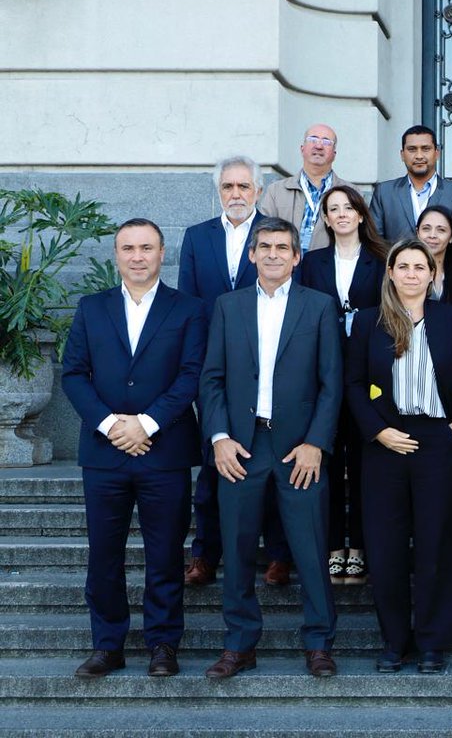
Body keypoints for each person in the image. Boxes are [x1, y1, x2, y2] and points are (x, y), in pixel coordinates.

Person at [62, 218, 208, 679]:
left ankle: (163, 644)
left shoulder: (188, 309)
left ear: (162, 253)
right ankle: (108, 646)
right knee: (103, 555)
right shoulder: (91, 307)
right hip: (104, 455)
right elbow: (73, 374)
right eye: (128, 248)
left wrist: (145, 424)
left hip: (163, 452)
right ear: (117, 255)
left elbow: (191, 375)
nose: (138, 256)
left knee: (165, 553)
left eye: (146, 247)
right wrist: (111, 425)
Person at [199, 217, 343, 679]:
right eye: (266, 247)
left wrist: (316, 443)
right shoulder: (228, 306)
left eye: (284, 247)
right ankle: (239, 644)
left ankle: (319, 642)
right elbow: (212, 379)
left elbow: (331, 383)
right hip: (241, 446)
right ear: (252, 254)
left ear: (297, 257)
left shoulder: (319, 307)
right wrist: (219, 438)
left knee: (309, 548)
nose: (275, 254)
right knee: (238, 549)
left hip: (298, 448)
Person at [344, 240, 452, 674]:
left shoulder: (450, 318)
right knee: (386, 548)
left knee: (437, 544)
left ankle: (433, 641)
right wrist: (378, 431)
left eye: (422, 266)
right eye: (405, 266)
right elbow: (354, 384)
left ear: (433, 274)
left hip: (437, 440)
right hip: (385, 443)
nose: (413, 273)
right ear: (392, 273)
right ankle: (395, 641)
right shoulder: (368, 322)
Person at [177, 156, 292, 588]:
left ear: (259, 191)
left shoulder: (273, 236)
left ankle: (279, 554)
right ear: (219, 192)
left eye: (244, 186)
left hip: (267, 370)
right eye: (228, 187)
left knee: (272, 463)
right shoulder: (196, 237)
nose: (236, 194)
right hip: (215, 370)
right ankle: (205, 553)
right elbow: (189, 305)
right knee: (214, 464)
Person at [299, 185, 388, 585]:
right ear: (326, 218)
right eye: (332, 209)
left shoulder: (381, 258)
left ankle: (363, 548)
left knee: (366, 465)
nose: (341, 214)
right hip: (323, 373)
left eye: (347, 207)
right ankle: (335, 546)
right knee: (330, 464)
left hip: (368, 377)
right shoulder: (313, 262)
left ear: (360, 213)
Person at [369, 124, 452, 253]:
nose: (419, 156)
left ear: (437, 153)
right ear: (402, 155)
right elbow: (373, 242)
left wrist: (440, 272)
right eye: (412, 149)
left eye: (425, 149)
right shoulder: (384, 193)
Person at [259, 123, 352, 255]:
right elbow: (262, 234)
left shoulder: (350, 193)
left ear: (334, 154)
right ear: (302, 149)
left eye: (326, 141)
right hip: (284, 270)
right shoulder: (276, 191)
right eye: (313, 139)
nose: (319, 146)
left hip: (327, 271)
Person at [416, 205, 452, 305]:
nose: (432, 235)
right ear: (418, 233)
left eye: (441, 230)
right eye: (426, 229)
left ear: (451, 237)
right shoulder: (406, 273)